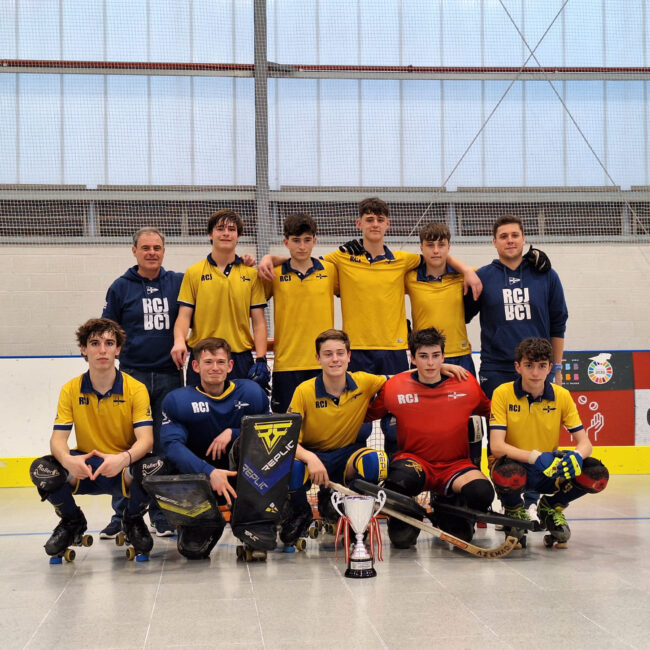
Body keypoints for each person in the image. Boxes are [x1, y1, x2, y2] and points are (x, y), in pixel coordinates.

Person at [259, 198, 481, 454]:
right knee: (357, 426)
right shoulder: (340, 259)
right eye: (369, 219)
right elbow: (302, 258)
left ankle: (398, 474)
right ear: (359, 223)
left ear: (388, 224)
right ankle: (355, 473)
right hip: (357, 352)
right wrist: (269, 257)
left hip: (393, 351)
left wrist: (466, 269)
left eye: (379, 219)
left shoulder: (403, 260)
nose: (375, 224)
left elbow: (437, 257)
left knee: (396, 424)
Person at [29, 318, 162, 560]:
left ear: (118, 350)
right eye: (94, 343)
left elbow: (146, 441)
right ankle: (72, 521)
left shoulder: (136, 389)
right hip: (84, 467)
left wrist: (123, 459)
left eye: (109, 343)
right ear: (84, 349)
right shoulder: (70, 389)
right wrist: (68, 461)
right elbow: (57, 439)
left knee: (158, 467)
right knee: (41, 470)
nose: (102, 350)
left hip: (121, 467)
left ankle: (132, 520)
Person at [365, 327, 493, 547]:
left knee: (482, 493)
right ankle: (409, 517)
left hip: (456, 466)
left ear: (443, 357)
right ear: (413, 358)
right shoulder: (395, 387)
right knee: (397, 486)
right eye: (423, 356)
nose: (430, 363)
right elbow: (366, 415)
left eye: (436, 356)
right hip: (415, 463)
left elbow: (493, 412)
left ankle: (447, 508)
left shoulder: (465, 383)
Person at [99, 227, 183, 539]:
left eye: (157, 248)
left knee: (163, 446)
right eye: (145, 247)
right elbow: (107, 331)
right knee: (126, 445)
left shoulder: (177, 282)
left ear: (164, 251)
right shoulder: (120, 287)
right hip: (131, 376)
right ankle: (121, 514)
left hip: (169, 376)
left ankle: (161, 515)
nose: (151, 252)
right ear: (134, 251)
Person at [489, 338, 609, 547]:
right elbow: (497, 447)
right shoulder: (502, 393)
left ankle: (551, 507)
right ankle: (514, 511)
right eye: (529, 365)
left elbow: (585, 443)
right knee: (508, 472)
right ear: (518, 367)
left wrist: (576, 455)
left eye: (542, 366)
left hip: (549, 469)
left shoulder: (562, 396)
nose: (535, 373)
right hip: (514, 468)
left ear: (550, 368)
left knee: (597, 473)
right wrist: (536, 457)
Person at [160, 337, 270, 559]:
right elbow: (172, 446)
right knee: (193, 551)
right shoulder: (177, 400)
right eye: (208, 362)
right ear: (195, 366)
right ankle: (202, 520)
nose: (215, 368)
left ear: (230, 366)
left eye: (221, 362)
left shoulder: (252, 393)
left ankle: (255, 521)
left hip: (242, 477)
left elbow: (268, 433)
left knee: (259, 445)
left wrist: (234, 432)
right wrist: (209, 472)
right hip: (201, 478)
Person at [280, 329, 390, 547]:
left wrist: (440, 368)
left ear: (349, 356)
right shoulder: (304, 391)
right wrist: (311, 458)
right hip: (313, 459)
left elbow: (402, 379)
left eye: (340, 353)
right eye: (328, 354)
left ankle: (352, 514)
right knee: (290, 468)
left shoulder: (364, 382)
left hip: (346, 456)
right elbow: (287, 440)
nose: (335, 359)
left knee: (376, 461)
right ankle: (300, 514)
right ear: (318, 358)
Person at [464, 214, 568, 399]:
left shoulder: (547, 275)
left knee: (539, 418)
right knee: (498, 419)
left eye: (515, 235)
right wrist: (464, 271)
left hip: (538, 368)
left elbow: (558, 324)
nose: (510, 240)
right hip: (496, 369)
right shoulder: (481, 277)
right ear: (494, 242)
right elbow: (461, 317)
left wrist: (557, 368)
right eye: (503, 236)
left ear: (524, 239)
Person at [171, 209, 269, 389]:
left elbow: (259, 322)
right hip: (203, 357)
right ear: (210, 234)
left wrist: (261, 358)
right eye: (220, 229)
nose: (226, 233)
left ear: (238, 236)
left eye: (231, 229)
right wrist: (179, 340)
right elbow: (184, 316)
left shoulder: (251, 275)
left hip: (240, 358)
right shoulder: (193, 273)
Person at [261, 213, 338, 413]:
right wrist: (266, 258)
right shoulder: (274, 273)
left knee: (323, 424)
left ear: (315, 241)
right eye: (296, 240)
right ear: (286, 242)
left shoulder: (330, 270)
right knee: (286, 424)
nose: (302, 246)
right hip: (286, 365)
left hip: (323, 363)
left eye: (307, 240)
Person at [405, 222, 475, 375]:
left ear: (449, 247)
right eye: (430, 245)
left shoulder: (464, 276)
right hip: (425, 357)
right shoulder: (409, 278)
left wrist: (467, 270)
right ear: (421, 248)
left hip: (459, 355)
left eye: (441, 245)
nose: (436, 250)